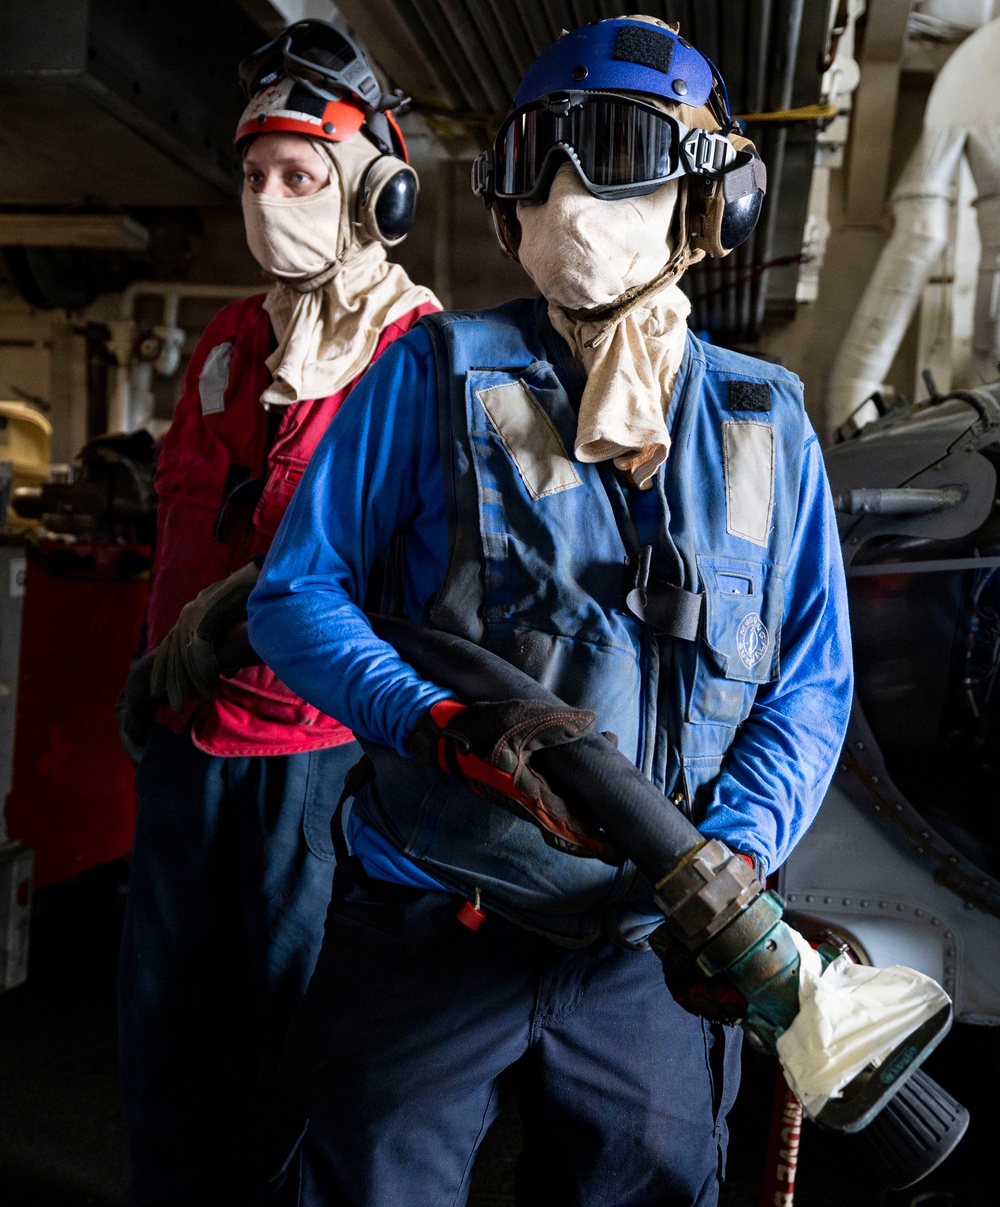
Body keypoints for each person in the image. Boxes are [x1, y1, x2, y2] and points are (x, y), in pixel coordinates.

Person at [247, 16, 852, 1206]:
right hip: (437, 910)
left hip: (651, 959)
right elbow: (294, 599)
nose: (569, 197)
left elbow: (807, 681)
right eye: (537, 159)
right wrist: (429, 722)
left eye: (616, 150)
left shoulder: (767, 423)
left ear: (708, 201)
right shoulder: (426, 375)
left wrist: (731, 853)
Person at [116, 20, 438, 1207]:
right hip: (187, 734)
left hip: (316, 753)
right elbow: (186, 517)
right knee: (164, 1019)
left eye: (296, 177)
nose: (266, 200)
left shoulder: (414, 352)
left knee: (295, 1027)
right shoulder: (231, 336)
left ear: (373, 197)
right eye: (252, 177)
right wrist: (150, 658)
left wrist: (262, 604)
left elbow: (415, 564)